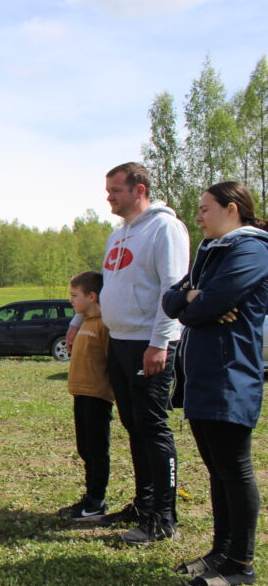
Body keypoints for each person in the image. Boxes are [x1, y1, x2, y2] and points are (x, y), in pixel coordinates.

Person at [162, 181, 268, 586]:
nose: (198, 216)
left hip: (231, 376)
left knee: (235, 469)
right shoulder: (212, 251)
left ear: (232, 209)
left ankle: (241, 563)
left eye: (205, 209)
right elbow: (171, 301)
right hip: (203, 376)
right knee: (217, 470)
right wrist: (193, 298)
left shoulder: (251, 250)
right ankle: (220, 552)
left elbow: (205, 305)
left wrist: (194, 301)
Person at [86, 162, 190, 544]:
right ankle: (144, 505)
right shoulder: (117, 235)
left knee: (152, 426)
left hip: (150, 343)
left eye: (115, 190)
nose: (109, 198)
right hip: (121, 340)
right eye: (108, 191)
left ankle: (163, 517)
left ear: (139, 190)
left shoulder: (165, 228)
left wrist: (160, 343)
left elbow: (172, 289)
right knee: (133, 425)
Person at [57, 271, 115, 522]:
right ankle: (90, 497)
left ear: (92, 296)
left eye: (74, 295)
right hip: (80, 393)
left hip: (97, 396)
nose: (71, 300)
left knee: (96, 449)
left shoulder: (104, 325)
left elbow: (112, 362)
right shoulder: (86, 322)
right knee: (85, 448)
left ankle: (96, 501)